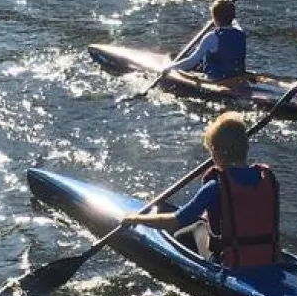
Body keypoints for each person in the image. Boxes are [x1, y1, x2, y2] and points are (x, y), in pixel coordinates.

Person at [120, 112, 281, 268]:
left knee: (192, 229)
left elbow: (176, 221)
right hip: (269, 257)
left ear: (218, 153)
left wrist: (136, 219)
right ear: (246, 148)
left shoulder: (215, 187)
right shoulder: (267, 179)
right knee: (204, 222)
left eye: (211, 152)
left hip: (231, 262)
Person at [166, 0, 248, 83]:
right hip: (236, 78)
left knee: (199, 62)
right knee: (203, 62)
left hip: (215, 79)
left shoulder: (211, 37)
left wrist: (170, 68)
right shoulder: (241, 34)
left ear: (214, 18)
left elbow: (192, 61)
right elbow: (234, 22)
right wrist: (228, 10)